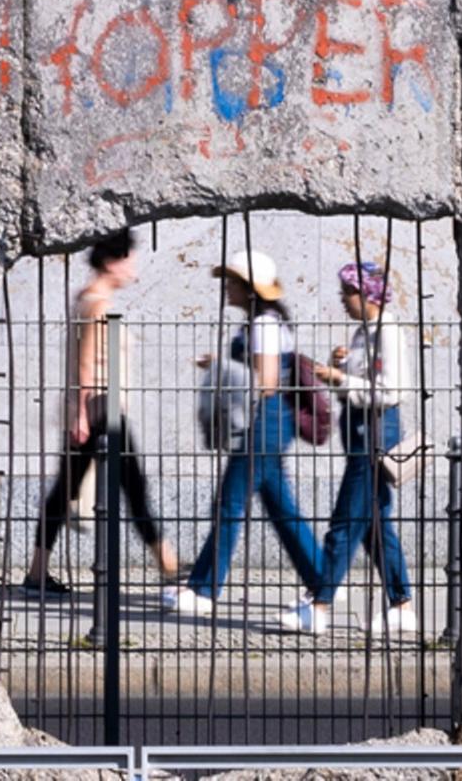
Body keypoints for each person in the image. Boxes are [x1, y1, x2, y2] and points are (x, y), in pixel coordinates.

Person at [164, 250, 322, 615]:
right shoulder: (258, 324)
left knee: (229, 503)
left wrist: (220, 365)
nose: (226, 288)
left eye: (232, 282)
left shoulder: (264, 326)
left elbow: (265, 383)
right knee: (281, 508)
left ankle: (203, 589)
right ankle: (322, 580)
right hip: (268, 421)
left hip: (264, 420)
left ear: (250, 289)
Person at [21, 228, 177, 597]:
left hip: (94, 407)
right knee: (133, 489)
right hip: (100, 408)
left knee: (66, 491)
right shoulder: (97, 304)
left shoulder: (87, 298)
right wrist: (80, 413)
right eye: (130, 259)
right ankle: (169, 566)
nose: (134, 267)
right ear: (113, 262)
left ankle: (36, 572)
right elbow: (86, 364)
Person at [281, 262, 415, 636]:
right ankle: (401, 604)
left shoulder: (387, 332)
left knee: (343, 524)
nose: (343, 300)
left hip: (374, 434)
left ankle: (319, 605)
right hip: (360, 432)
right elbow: (357, 386)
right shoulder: (363, 333)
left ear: (368, 294)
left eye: (348, 292)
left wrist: (341, 377)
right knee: (373, 526)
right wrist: (339, 370)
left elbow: (394, 389)